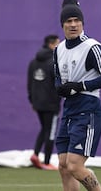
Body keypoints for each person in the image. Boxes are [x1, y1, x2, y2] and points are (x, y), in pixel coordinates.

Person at [54, 0, 101, 191]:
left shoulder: (92, 47)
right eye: (69, 21)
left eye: (77, 20)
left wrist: (80, 86)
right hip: (69, 111)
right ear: (62, 24)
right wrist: (60, 87)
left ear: (82, 23)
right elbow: (58, 77)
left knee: (75, 165)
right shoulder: (59, 49)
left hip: (88, 109)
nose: (73, 24)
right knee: (63, 166)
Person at [27, 34, 61, 170]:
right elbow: (58, 84)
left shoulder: (33, 62)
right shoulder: (54, 62)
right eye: (58, 44)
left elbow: (29, 84)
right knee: (50, 132)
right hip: (51, 104)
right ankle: (47, 162)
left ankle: (35, 154)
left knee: (44, 129)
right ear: (52, 45)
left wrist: (32, 101)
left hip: (38, 103)